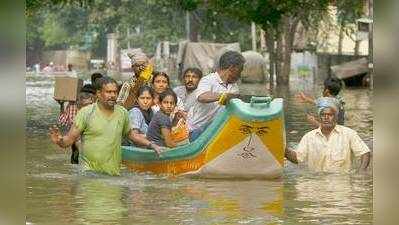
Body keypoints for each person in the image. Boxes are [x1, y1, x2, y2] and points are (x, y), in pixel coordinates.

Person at [49, 76, 162, 176]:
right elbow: (69, 140)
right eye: (108, 92)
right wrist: (60, 141)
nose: (112, 95)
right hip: (89, 175)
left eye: (115, 92)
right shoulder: (86, 113)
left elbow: (132, 135)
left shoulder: (122, 113)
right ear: (98, 94)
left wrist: (152, 145)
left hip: (113, 174)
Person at [284, 100, 371, 173]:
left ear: (336, 118)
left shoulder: (349, 134)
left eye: (330, 115)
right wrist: (283, 149)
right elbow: (297, 158)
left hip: (342, 185)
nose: (326, 117)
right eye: (323, 115)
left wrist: (361, 173)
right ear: (319, 118)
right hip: (316, 184)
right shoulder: (309, 137)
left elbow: (365, 153)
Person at [187, 50, 245, 142]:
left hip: (216, 130)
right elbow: (202, 97)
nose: (240, 75)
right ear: (232, 68)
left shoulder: (234, 87)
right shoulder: (208, 80)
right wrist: (225, 96)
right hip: (198, 131)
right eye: (240, 70)